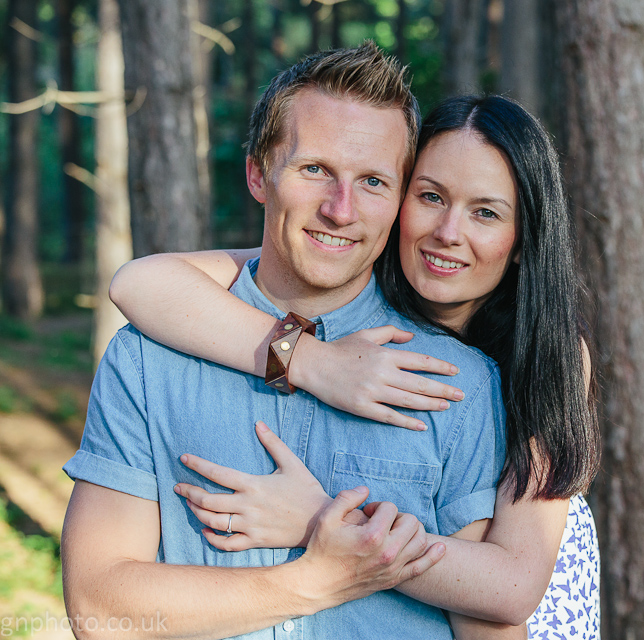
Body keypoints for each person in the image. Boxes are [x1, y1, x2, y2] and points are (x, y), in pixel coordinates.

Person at [61, 44, 514, 640]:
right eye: (315, 170)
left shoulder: (457, 382)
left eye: (372, 181)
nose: (340, 210)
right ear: (258, 174)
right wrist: (312, 582)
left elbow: (490, 620)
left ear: (399, 200)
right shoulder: (147, 358)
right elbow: (98, 606)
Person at [110, 91, 602, 638]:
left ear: (523, 239)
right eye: (431, 196)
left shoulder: (545, 352)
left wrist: (320, 520)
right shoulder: (350, 267)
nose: (448, 232)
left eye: (485, 212)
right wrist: (311, 360)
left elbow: (511, 588)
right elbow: (138, 283)